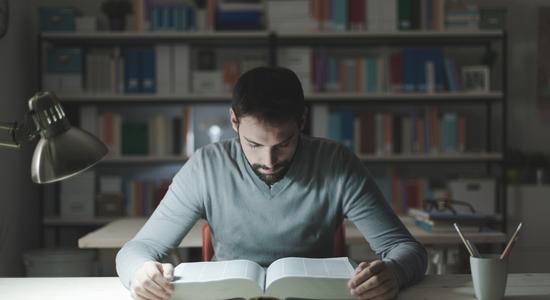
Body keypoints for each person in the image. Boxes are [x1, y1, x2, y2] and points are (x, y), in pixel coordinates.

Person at [116, 66, 427, 300]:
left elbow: (406, 249)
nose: (269, 160)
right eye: (253, 144)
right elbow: (138, 249)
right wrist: (140, 272)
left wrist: (393, 272)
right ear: (234, 121)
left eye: (283, 144)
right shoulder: (206, 166)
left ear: (302, 121)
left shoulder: (336, 162)